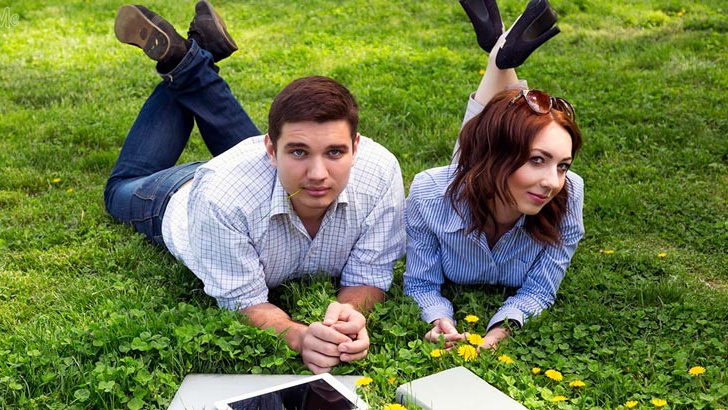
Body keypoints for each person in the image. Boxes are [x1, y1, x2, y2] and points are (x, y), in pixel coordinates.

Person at [104, 2, 405, 374]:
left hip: (258, 182)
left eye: (335, 152)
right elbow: (243, 300)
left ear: (356, 147)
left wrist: (349, 317)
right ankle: (188, 61)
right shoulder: (222, 197)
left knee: (283, 170)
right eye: (299, 150)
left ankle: (189, 58)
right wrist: (297, 335)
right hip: (176, 195)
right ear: (270, 150)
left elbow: (369, 276)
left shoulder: (379, 172)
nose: (318, 174)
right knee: (119, 189)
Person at [404, 0, 584, 351]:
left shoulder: (569, 193)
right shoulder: (428, 194)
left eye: (563, 164)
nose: (552, 181)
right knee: (478, 149)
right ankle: (502, 54)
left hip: (488, 170)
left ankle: (500, 54)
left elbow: (540, 289)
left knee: (492, 136)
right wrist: (439, 318)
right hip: (469, 180)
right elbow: (420, 284)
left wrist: (502, 327)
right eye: (537, 160)